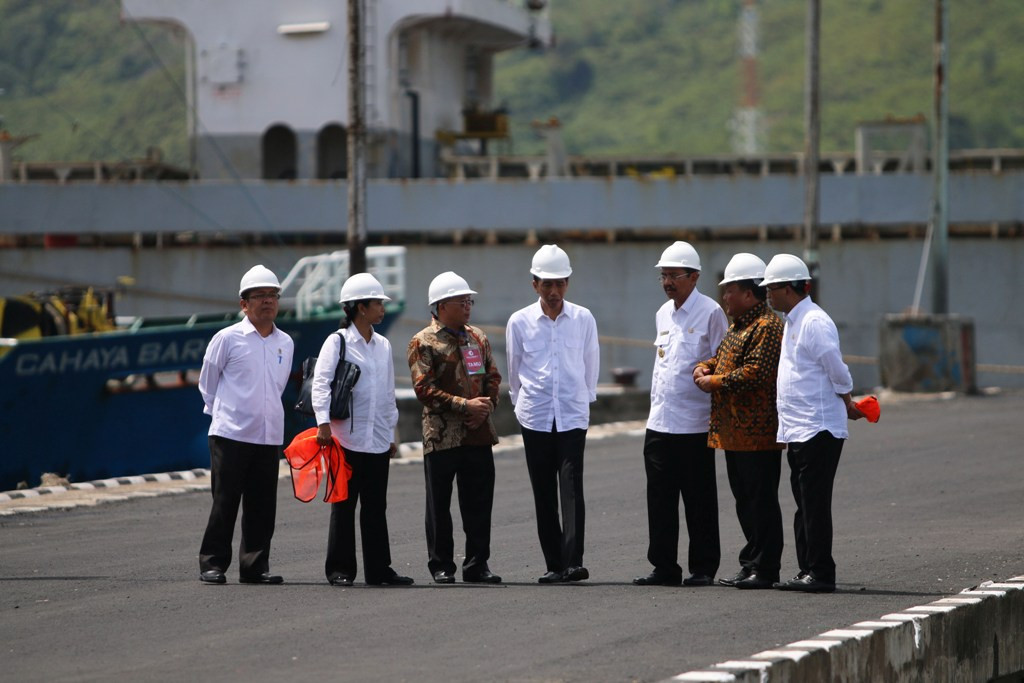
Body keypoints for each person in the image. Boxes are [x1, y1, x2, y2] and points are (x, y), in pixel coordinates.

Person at [760, 254, 864, 594]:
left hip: (818, 427)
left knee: (814, 504)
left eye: (772, 288)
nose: (768, 295)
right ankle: (807, 568)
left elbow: (835, 367)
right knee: (804, 503)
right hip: (800, 428)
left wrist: (847, 399)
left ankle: (820, 571)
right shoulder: (794, 320)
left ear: (790, 288)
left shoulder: (813, 322)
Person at [633, 241, 728, 587]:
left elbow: (721, 360)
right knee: (659, 498)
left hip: (694, 422)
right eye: (664, 276)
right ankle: (664, 566)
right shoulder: (662, 314)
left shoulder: (711, 312)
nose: (668, 282)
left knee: (698, 498)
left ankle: (703, 568)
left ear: (694, 276)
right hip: (660, 421)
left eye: (674, 275)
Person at [506, 245, 600, 584]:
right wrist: (523, 406)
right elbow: (514, 372)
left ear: (568, 282)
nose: (554, 291)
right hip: (535, 416)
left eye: (560, 283)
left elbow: (591, 365)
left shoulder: (583, 318)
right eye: (547, 284)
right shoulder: (519, 322)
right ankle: (554, 564)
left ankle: (573, 561)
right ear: (534, 285)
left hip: (572, 414)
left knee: (572, 487)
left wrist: (583, 400)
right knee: (543, 491)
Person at [313, 273, 413, 587]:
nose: (382, 308)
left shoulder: (382, 345)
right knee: (343, 506)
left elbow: (386, 394)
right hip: (345, 439)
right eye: (377, 303)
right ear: (360, 307)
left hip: (377, 439)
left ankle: (379, 570)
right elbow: (321, 384)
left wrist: (392, 435)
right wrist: (323, 423)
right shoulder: (338, 341)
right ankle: (340, 570)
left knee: (375, 507)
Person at [197, 265, 295, 585]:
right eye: (259, 296)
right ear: (244, 304)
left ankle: (254, 566)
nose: (268, 301)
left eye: (272, 295)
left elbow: (278, 386)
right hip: (231, 433)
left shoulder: (285, 342)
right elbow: (207, 383)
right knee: (226, 501)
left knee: (262, 505)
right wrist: (225, 415)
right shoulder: (227, 339)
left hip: (268, 434)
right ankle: (213, 563)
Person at [693, 253, 785, 590]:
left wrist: (713, 381)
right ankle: (751, 562)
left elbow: (755, 373)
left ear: (749, 292)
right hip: (733, 432)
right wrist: (703, 366)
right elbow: (722, 357)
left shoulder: (767, 327)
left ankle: (766, 566)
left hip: (758, 432)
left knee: (761, 499)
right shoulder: (739, 325)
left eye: (729, 290)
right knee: (745, 500)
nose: (724, 298)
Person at [408, 271, 503, 584]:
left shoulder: (477, 338)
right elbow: (424, 390)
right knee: (439, 505)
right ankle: (441, 565)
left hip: (478, 434)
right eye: (461, 300)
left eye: (469, 300)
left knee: (478, 504)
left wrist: (484, 407)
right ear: (441, 305)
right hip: (442, 437)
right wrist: (465, 406)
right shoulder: (423, 342)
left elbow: (493, 377)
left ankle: (477, 565)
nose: (467, 305)